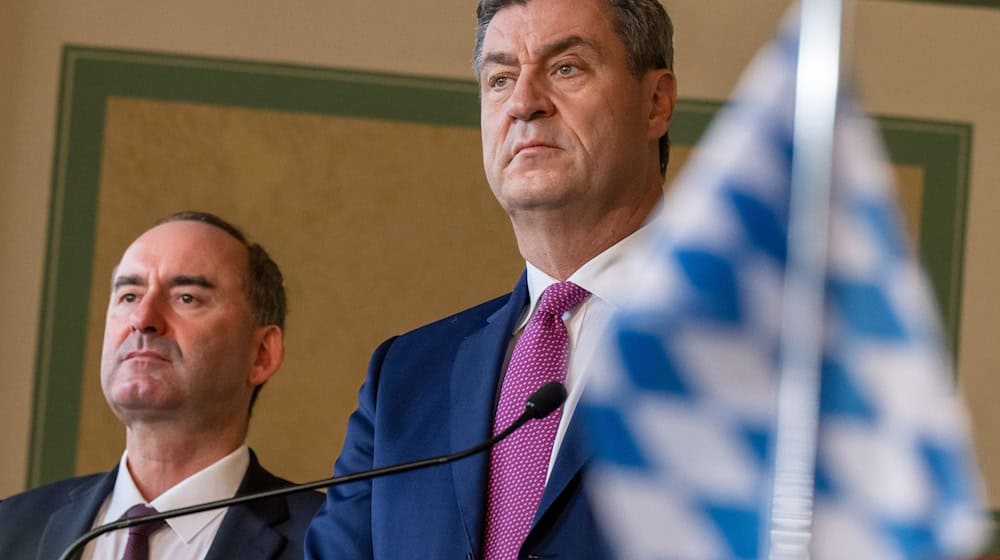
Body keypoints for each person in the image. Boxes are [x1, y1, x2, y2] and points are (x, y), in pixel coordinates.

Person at [305, 0, 676, 558]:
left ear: (656, 103)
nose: (524, 103)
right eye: (500, 79)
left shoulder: (753, 343)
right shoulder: (404, 377)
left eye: (566, 68)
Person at [0, 211, 323, 559]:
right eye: (128, 296)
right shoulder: (11, 527)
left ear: (261, 354)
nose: (142, 319)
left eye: (187, 297)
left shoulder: (329, 540)